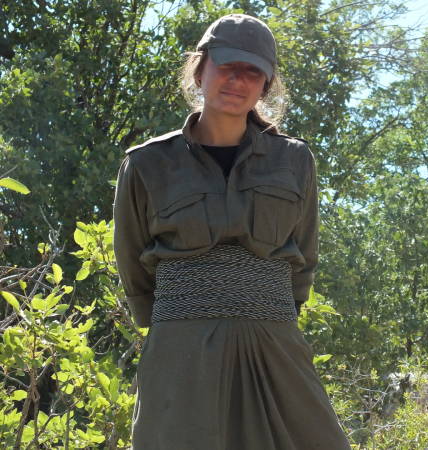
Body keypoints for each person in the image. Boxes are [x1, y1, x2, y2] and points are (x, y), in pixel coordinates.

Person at [113, 13, 351, 450]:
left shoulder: (294, 160)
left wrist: (265, 308)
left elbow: (304, 256)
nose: (237, 80)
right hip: (180, 345)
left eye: (252, 72)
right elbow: (132, 263)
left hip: (274, 339)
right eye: (226, 66)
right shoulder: (147, 163)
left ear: (266, 85)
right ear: (199, 69)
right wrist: (181, 316)